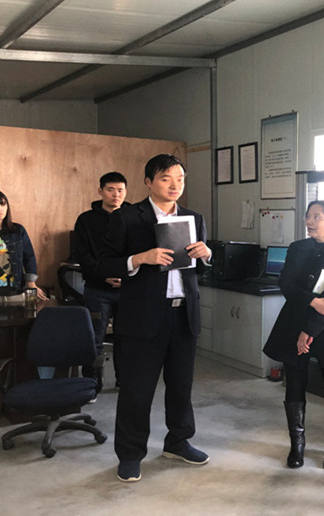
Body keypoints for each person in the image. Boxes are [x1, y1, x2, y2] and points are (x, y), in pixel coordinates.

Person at [96, 154, 212, 483]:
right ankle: (130, 454)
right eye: (165, 178)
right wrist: (139, 258)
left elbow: (201, 269)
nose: (175, 185)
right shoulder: (127, 217)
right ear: (148, 182)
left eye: (180, 179)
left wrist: (207, 255)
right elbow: (103, 263)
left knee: (181, 387)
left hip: (183, 315)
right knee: (137, 390)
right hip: (143, 317)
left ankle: (178, 442)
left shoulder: (193, 218)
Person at [263, 200, 324, 470]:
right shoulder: (298, 248)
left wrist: (309, 330)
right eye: (308, 216)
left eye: (317, 217)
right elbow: (285, 284)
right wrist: (312, 301)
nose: (309, 221)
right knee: (294, 383)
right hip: (295, 321)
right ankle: (297, 444)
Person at [72, 171, 130, 393]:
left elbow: (141, 251)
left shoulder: (133, 216)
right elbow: (81, 254)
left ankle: (124, 380)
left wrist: (126, 276)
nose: (116, 194)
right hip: (97, 288)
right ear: (100, 191)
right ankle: (92, 384)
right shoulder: (86, 220)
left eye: (120, 190)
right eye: (110, 189)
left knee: (127, 337)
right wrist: (103, 275)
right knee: (94, 338)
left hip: (128, 288)